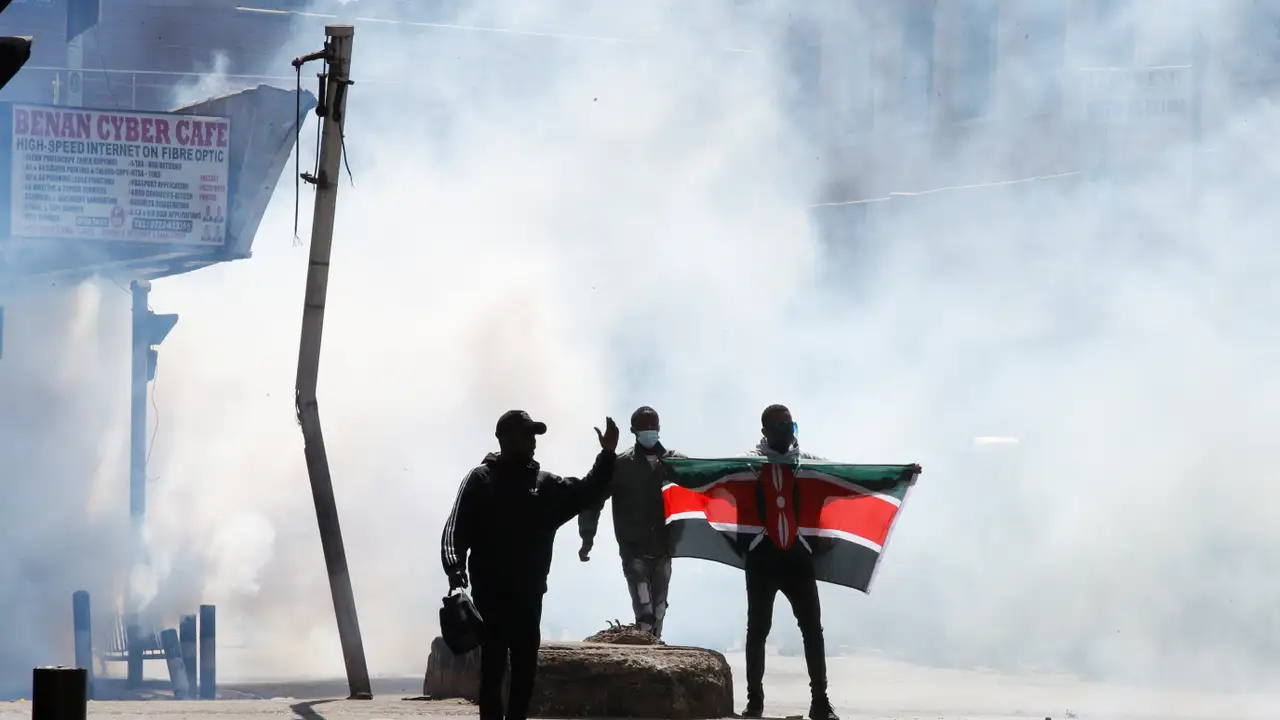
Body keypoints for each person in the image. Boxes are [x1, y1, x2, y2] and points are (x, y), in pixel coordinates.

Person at [441, 410, 620, 720]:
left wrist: (606, 455)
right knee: (493, 667)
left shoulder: (544, 485)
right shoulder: (481, 479)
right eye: (526, 435)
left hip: (529, 594)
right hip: (490, 594)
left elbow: (586, 492)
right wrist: (456, 575)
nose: (533, 442)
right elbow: (454, 531)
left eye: (534, 435)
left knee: (526, 669)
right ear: (505, 439)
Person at [741, 404, 838, 720]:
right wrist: (670, 470)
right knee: (758, 630)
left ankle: (820, 702)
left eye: (790, 426)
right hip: (762, 559)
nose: (786, 432)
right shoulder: (750, 465)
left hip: (798, 558)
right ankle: (754, 702)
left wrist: (900, 474)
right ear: (766, 432)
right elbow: (705, 475)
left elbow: (848, 476)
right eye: (780, 427)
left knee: (812, 629)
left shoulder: (805, 464)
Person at [577, 406, 686, 639]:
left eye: (653, 425)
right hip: (633, 547)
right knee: (644, 609)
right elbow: (593, 498)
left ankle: (653, 649)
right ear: (633, 430)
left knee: (659, 608)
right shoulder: (621, 465)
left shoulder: (676, 463)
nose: (649, 431)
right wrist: (587, 536)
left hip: (664, 548)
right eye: (644, 427)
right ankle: (646, 642)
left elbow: (701, 486)